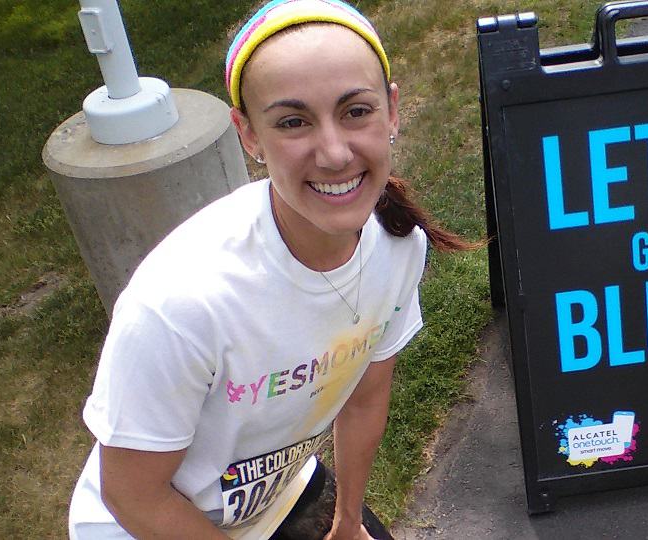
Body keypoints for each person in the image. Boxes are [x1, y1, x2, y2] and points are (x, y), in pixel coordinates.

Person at [68, 0, 471, 538]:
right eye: (293, 122)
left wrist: (349, 521)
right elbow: (132, 494)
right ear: (249, 134)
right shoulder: (181, 303)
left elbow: (366, 395)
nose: (333, 153)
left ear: (392, 111)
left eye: (356, 111)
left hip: (274, 497)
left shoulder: (397, 247)